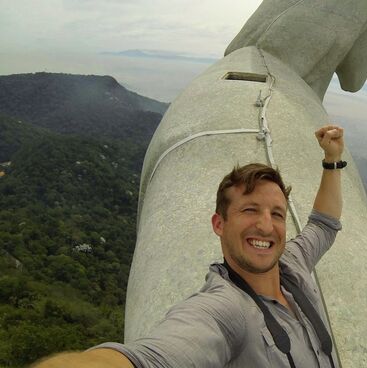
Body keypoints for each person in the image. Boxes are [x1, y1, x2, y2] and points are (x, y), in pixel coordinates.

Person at [34, 125, 345, 368]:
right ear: (219, 224)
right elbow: (153, 357)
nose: (266, 225)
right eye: (249, 210)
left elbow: (323, 224)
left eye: (276, 213)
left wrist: (332, 160)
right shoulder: (225, 310)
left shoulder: (294, 261)